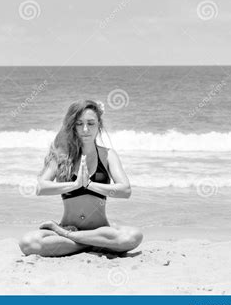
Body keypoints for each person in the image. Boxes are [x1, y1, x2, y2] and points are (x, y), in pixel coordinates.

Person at [18, 99, 143, 256]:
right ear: (73, 126)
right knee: (27, 243)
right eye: (79, 124)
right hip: (70, 227)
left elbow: (125, 190)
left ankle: (73, 239)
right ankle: (90, 244)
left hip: (99, 230)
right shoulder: (61, 156)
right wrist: (75, 185)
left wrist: (89, 185)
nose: (85, 129)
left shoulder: (108, 155)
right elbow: (41, 188)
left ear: (99, 125)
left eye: (91, 123)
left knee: (134, 236)